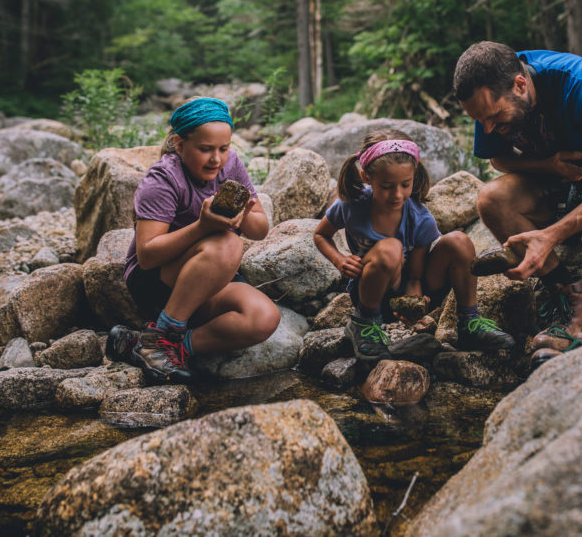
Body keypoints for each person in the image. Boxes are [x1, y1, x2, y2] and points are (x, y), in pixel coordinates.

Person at [452, 42, 582, 369]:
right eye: (480, 120)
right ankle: (570, 292)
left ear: (520, 85)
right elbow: (498, 158)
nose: (488, 128)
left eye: (493, 118)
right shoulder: (488, 92)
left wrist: (551, 235)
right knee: (491, 199)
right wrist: (550, 166)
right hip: (557, 181)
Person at [108, 97, 280, 383]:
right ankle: (162, 335)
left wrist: (244, 215)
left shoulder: (230, 165)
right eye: (205, 149)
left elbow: (260, 230)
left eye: (223, 148)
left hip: (212, 274)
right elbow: (147, 255)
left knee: (263, 317)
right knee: (228, 243)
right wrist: (203, 226)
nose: (216, 159)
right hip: (155, 281)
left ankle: (160, 344)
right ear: (179, 144)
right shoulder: (163, 178)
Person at [313, 129, 515, 362]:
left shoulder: (419, 217)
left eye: (405, 185)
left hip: (410, 286)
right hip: (370, 291)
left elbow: (416, 275)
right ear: (366, 177)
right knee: (391, 248)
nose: (398, 195)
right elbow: (321, 235)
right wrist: (339, 260)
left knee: (459, 241)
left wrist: (414, 300)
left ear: (414, 177)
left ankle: (469, 322)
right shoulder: (350, 205)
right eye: (387, 186)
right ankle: (363, 324)